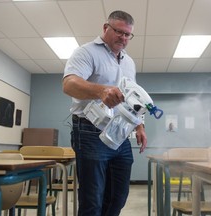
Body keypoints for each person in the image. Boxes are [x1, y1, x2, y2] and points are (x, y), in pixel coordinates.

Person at [62, 10, 147, 216]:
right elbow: (69, 84)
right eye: (119, 32)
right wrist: (102, 91)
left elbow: (132, 98)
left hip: (120, 133)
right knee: (93, 199)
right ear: (105, 28)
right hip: (90, 132)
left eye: (128, 35)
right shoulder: (86, 52)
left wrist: (139, 125)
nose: (123, 38)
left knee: (118, 196)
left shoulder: (129, 62)